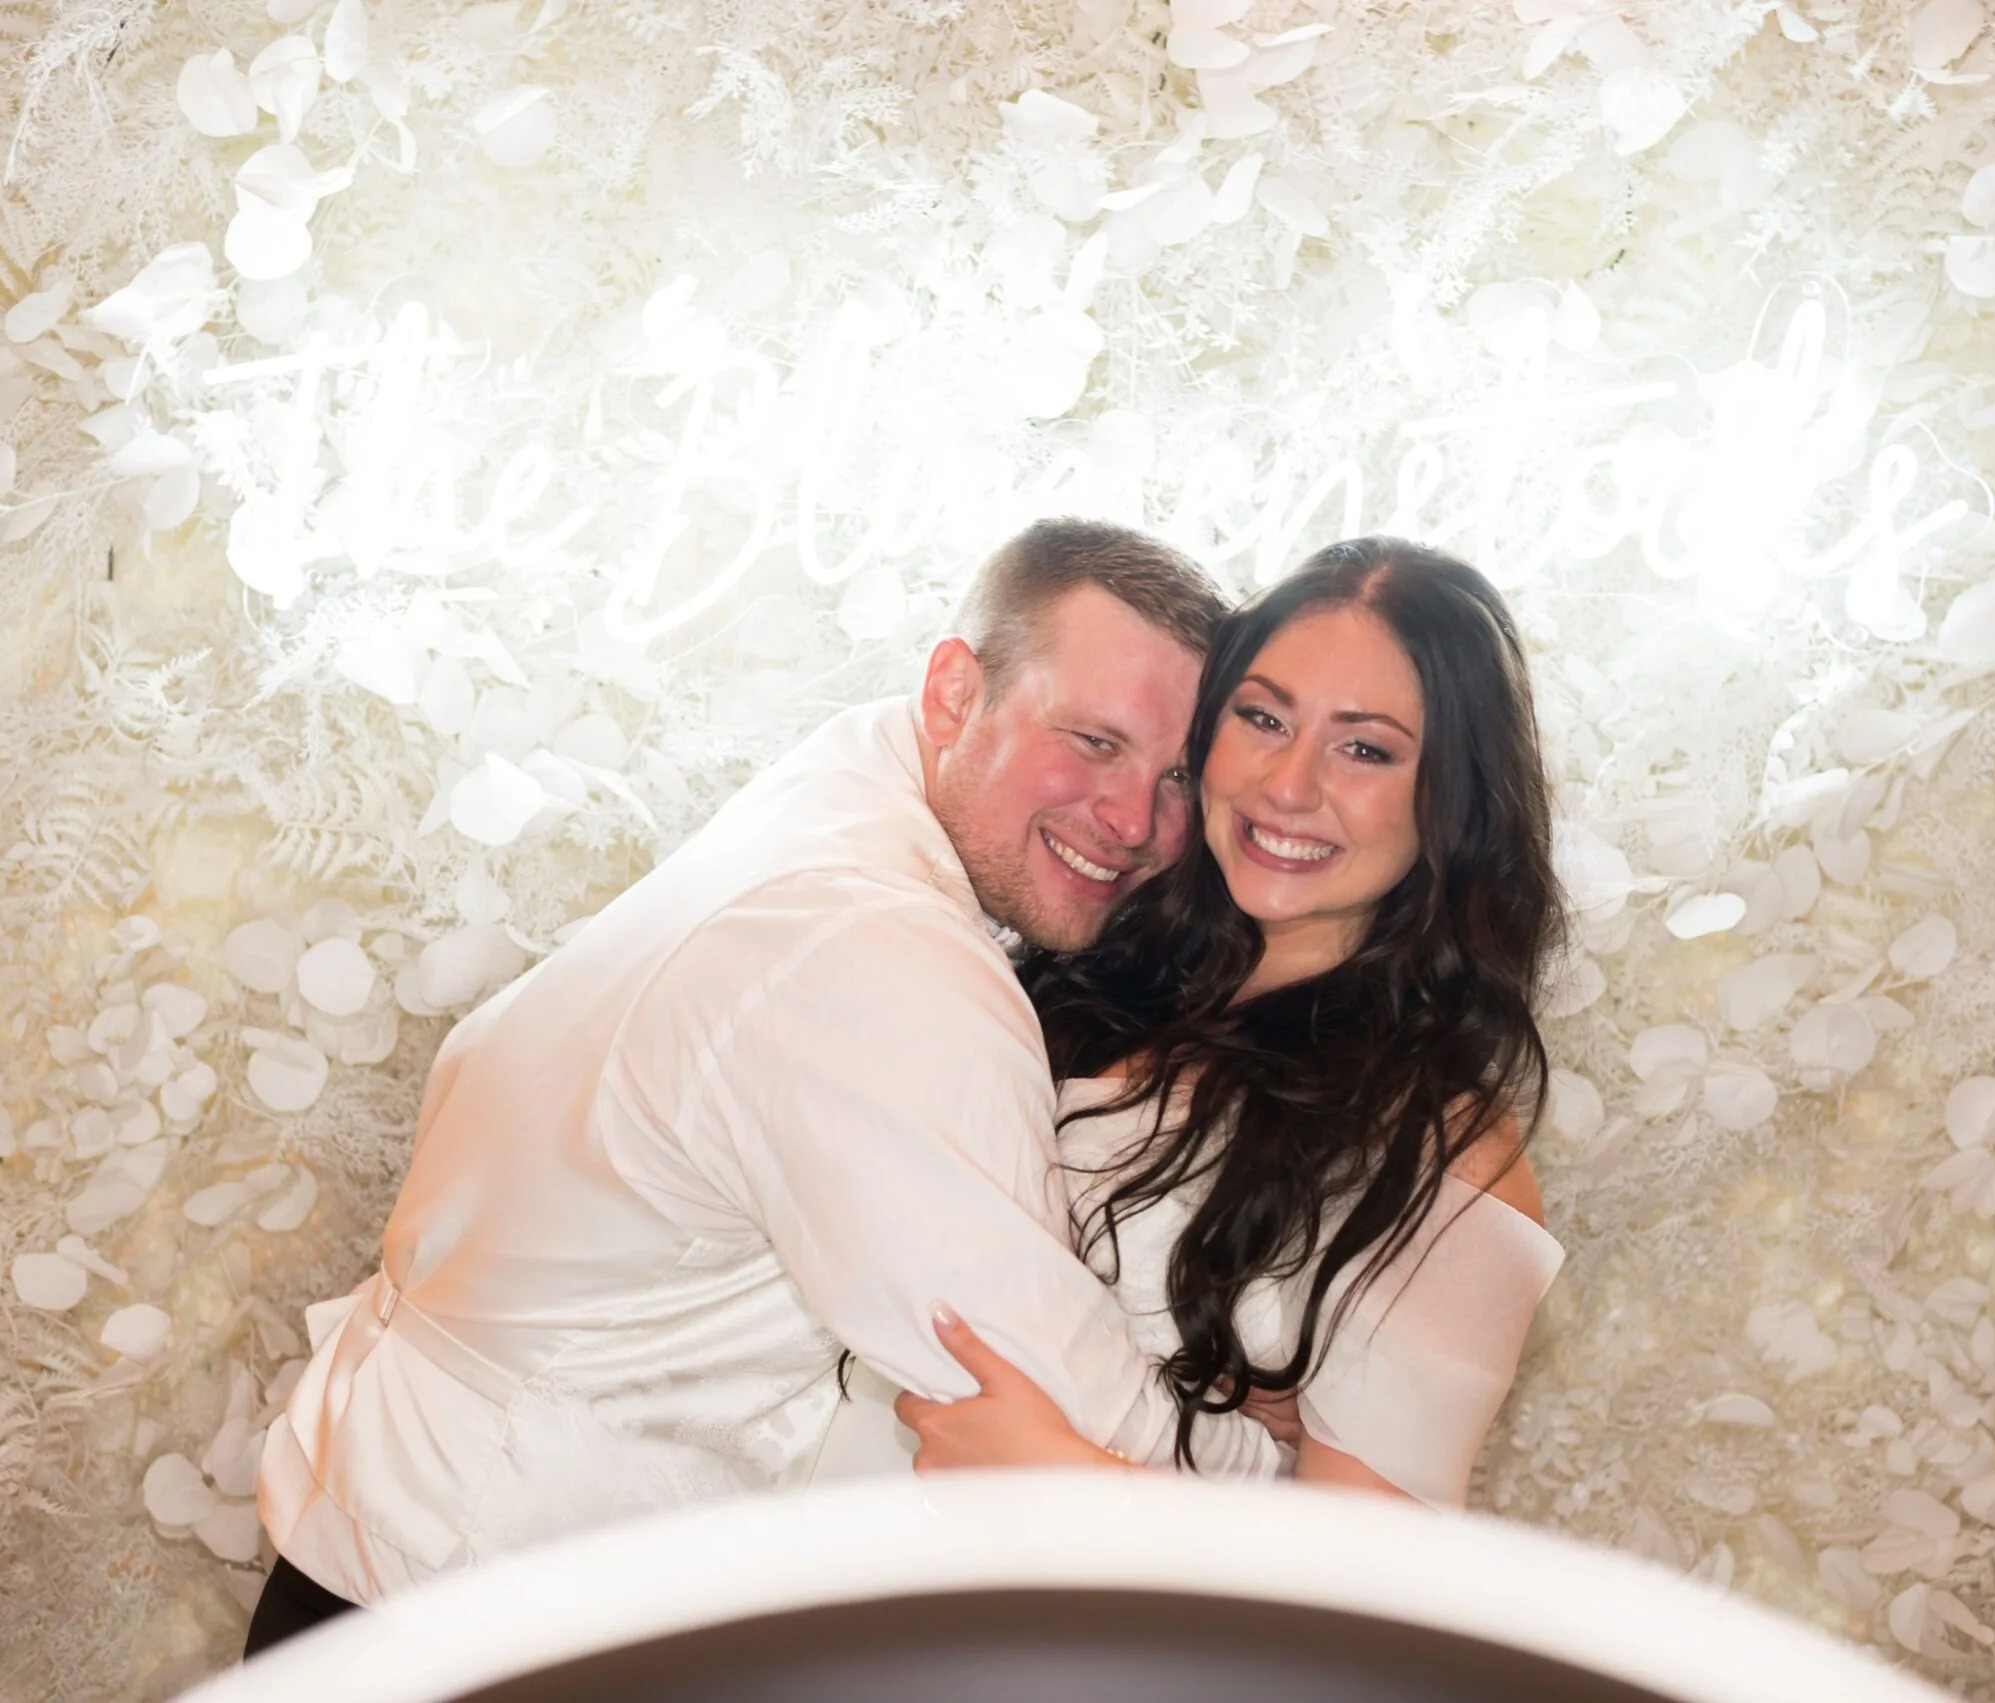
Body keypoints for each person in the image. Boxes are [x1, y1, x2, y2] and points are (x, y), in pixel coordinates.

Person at [245, 520, 1292, 1657]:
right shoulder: (876, 950)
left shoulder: (837, 793)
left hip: (392, 1573)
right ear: (953, 690)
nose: (1135, 822)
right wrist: (1284, 1476)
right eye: (1091, 741)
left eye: (1177, 774)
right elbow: (1034, 1390)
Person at [890, 538, 1569, 1507]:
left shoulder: (1449, 1153)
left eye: (1365, 747)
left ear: (1450, 800)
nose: (1286, 785)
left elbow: (1374, 1589)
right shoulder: (1064, 965)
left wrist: (1074, 1481)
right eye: (1261, 717)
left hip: (1084, 1639)